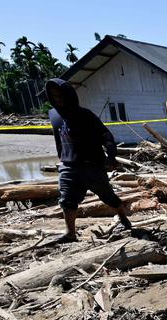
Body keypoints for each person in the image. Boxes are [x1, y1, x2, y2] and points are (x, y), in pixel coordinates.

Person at [44, 78, 131, 241]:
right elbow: (58, 138)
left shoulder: (85, 115)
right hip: (68, 165)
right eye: (54, 96)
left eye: (61, 95)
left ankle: (123, 217)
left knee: (108, 196)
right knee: (67, 199)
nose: (58, 99)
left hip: (92, 165)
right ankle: (70, 233)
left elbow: (106, 135)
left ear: (69, 95)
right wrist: (61, 156)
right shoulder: (54, 115)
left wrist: (111, 155)